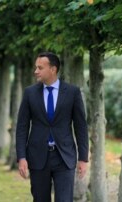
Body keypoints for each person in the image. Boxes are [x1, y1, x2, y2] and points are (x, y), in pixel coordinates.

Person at [16, 52, 89, 202]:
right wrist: (21, 157)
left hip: (64, 157)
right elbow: (22, 127)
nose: (36, 71)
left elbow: (81, 127)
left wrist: (83, 158)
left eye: (40, 67)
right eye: (36, 67)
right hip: (37, 157)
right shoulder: (30, 93)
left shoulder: (72, 92)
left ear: (53, 69)